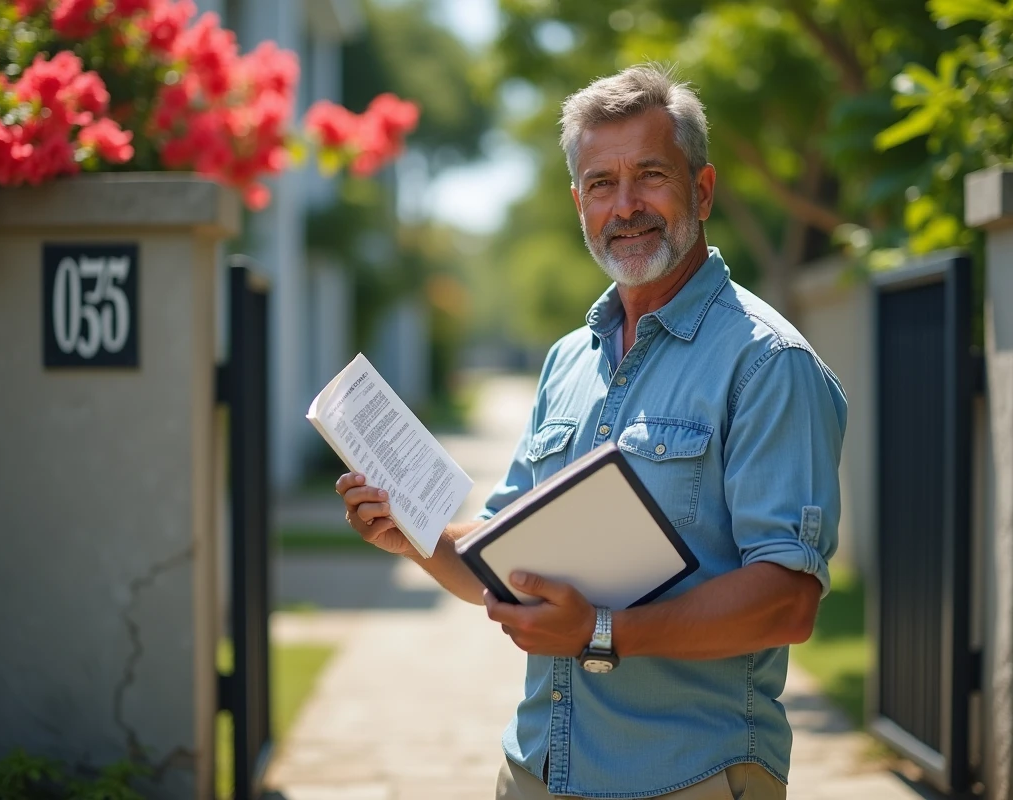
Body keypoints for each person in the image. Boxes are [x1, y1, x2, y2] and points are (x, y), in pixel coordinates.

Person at [336, 63, 848, 800]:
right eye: (602, 184)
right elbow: (501, 562)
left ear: (701, 190)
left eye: (651, 175)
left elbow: (788, 602)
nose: (627, 205)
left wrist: (601, 631)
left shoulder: (768, 363)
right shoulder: (567, 361)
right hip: (537, 770)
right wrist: (409, 532)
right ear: (580, 203)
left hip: (687, 778)